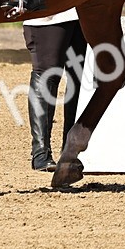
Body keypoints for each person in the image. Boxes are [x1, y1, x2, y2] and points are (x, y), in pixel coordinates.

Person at [22, 9, 86, 171]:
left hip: (84, 10)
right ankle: (41, 152)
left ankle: (71, 151)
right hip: (48, 14)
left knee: (80, 79)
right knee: (46, 76)